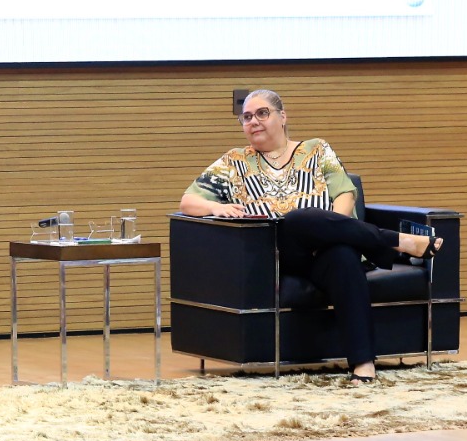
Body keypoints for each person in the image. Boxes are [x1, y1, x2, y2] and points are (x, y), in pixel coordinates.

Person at [179, 89, 442, 383]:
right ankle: (395, 241)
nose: (253, 121)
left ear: (282, 116)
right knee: (295, 219)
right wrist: (218, 206)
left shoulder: (317, 150)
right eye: (247, 117)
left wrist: (330, 232)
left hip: (328, 250)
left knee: (343, 257)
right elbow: (188, 202)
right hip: (279, 253)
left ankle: (363, 364)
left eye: (262, 113)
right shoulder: (233, 162)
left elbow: (344, 194)